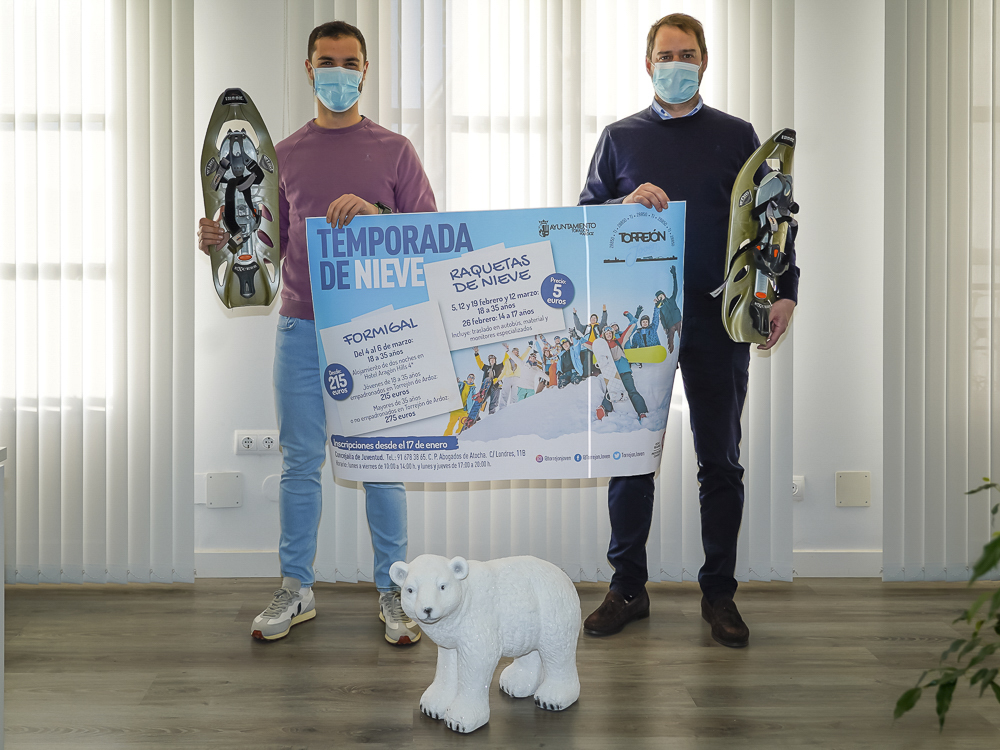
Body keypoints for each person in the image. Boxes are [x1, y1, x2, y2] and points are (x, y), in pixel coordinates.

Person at [197, 21, 436, 646]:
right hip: (301, 326)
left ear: (365, 70)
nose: (338, 73)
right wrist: (221, 241)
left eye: (349, 62)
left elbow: (431, 237)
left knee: (382, 463)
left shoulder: (395, 151)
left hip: (377, 329)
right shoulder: (283, 156)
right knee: (300, 461)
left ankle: (395, 591)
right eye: (327, 62)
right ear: (309, 70)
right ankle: (296, 588)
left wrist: (377, 214)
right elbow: (261, 249)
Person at [578, 13, 798, 648]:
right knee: (631, 459)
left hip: (717, 319)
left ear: (705, 62)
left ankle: (719, 594)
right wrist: (621, 206)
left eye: (688, 54)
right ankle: (627, 588)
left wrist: (784, 291)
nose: (676, 64)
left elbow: (774, 219)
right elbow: (582, 222)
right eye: (666, 55)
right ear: (647, 64)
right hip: (638, 324)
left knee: (720, 461)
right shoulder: (619, 138)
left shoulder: (738, 136)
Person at [583, 326, 647, 422]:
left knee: (632, 391)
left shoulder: (619, 341)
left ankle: (642, 412)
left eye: (610, 333)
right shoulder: (602, 347)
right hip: (611, 374)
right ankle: (604, 408)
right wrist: (580, 340)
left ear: (612, 334)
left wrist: (633, 322)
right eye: (606, 333)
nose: (608, 334)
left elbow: (627, 333)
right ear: (604, 335)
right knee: (610, 392)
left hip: (624, 371)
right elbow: (593, 345)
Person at [655, 265, 683, 353]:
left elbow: (675, 289)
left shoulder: (671, 299)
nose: (660, 297)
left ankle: (684, 349)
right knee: (670, 340)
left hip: (678, 320)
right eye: (658, 297)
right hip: (670, 325)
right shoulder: (661, 307)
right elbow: (662, 319)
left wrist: (674, 275)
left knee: (682, 335)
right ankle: (671, 353)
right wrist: (665, 328)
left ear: (664, 295)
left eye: (661, 295)